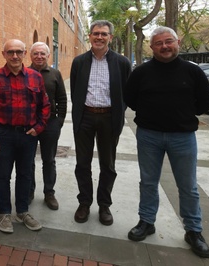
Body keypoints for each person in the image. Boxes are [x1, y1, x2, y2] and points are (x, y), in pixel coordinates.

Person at [124, 26, 209, 258]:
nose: (164, 46)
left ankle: (193, 230)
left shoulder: (192, 72)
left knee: (188, 186)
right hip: (149, 136)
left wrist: (184, 114)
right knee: (148, 182)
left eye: (168, 41)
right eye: (159, 43)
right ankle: (147, 221)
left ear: (177, 42)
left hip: (182, 137)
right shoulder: (141, 72)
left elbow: (206, 100)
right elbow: (130, 97)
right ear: (151, 47)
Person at [0, 39, 51, 233]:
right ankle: (4, 213)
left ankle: (22, 211)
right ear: (4, 54)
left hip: (28, 135)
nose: (15, 56)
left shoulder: (35, 77)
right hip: (3, 134)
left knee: (25, 174)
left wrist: (39, 127)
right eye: (10, 52)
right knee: (3, 175)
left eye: (19, 52)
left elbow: (45, 105)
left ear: (25, 53)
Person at [70, 20, 131, 226]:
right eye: (96, 33)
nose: (99, 37)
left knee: (108, 164)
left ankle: (104, 205)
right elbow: (76, 90)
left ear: (110, 38)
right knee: (82, 163)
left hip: (109, 118)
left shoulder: (121, 63)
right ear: (90, 36)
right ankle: (84, 203)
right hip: (85, 117)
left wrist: (118, 113)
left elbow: (126, 93)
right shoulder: (79, 62)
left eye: (104, 34)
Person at [28, 42, 67, 210]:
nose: (39, 56)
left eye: (43, 54)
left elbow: (62, 99)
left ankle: (49, 193)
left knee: (49, 160)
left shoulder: (55, 74)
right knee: (28, 160)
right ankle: (29, 191)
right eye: (36, 53)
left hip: (50, 124)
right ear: (30, 56)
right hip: (28, 125)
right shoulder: (24, 73)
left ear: (48, 56)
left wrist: (59, 121)